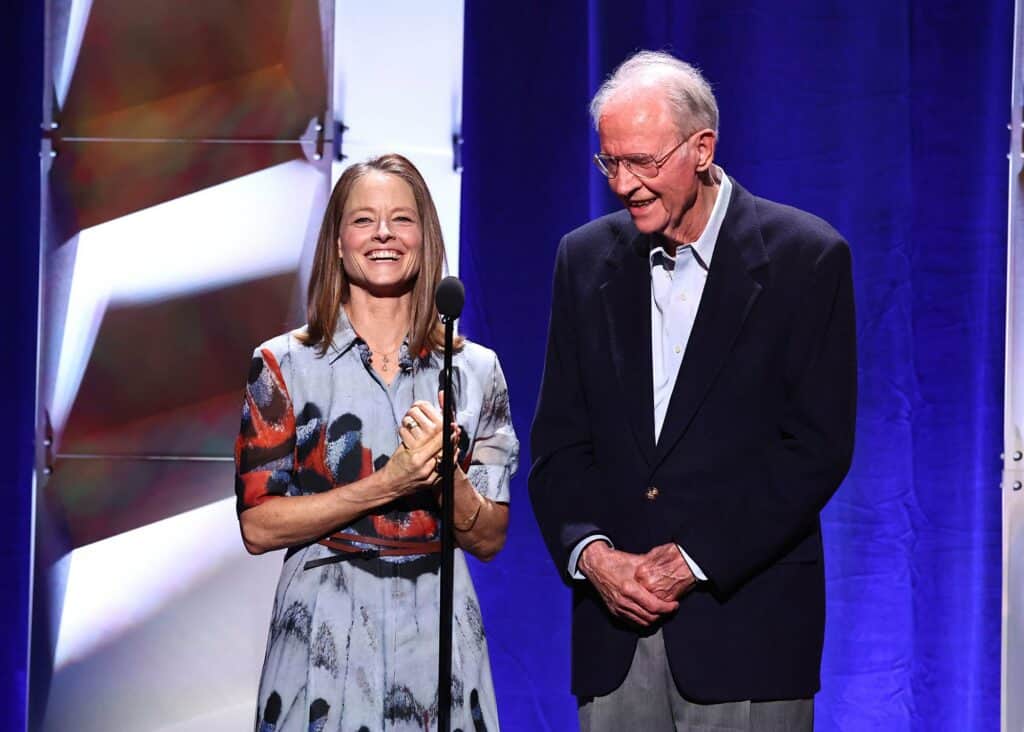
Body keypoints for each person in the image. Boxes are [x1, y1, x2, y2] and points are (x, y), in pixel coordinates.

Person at [529, 50, 856, 731]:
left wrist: (693, 559)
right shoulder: (583, 260)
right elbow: (559, 444)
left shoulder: (806, 257)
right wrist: (593, 556)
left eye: (643, 162)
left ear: (702, 147)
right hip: (615, 636)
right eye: (610, 163)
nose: (624, 184)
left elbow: (816, 448)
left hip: (747, 631)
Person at [234, 153, 518, 731]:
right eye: (363, 220)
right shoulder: (282, 365)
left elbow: (489, 538)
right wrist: (389, 483)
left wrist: (447, 477)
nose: (384, 234)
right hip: (323, 639)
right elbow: (258, 526)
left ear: (425, 237)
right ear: (337, 242)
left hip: (439, 640)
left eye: (401, 220)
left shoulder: (476, 372)